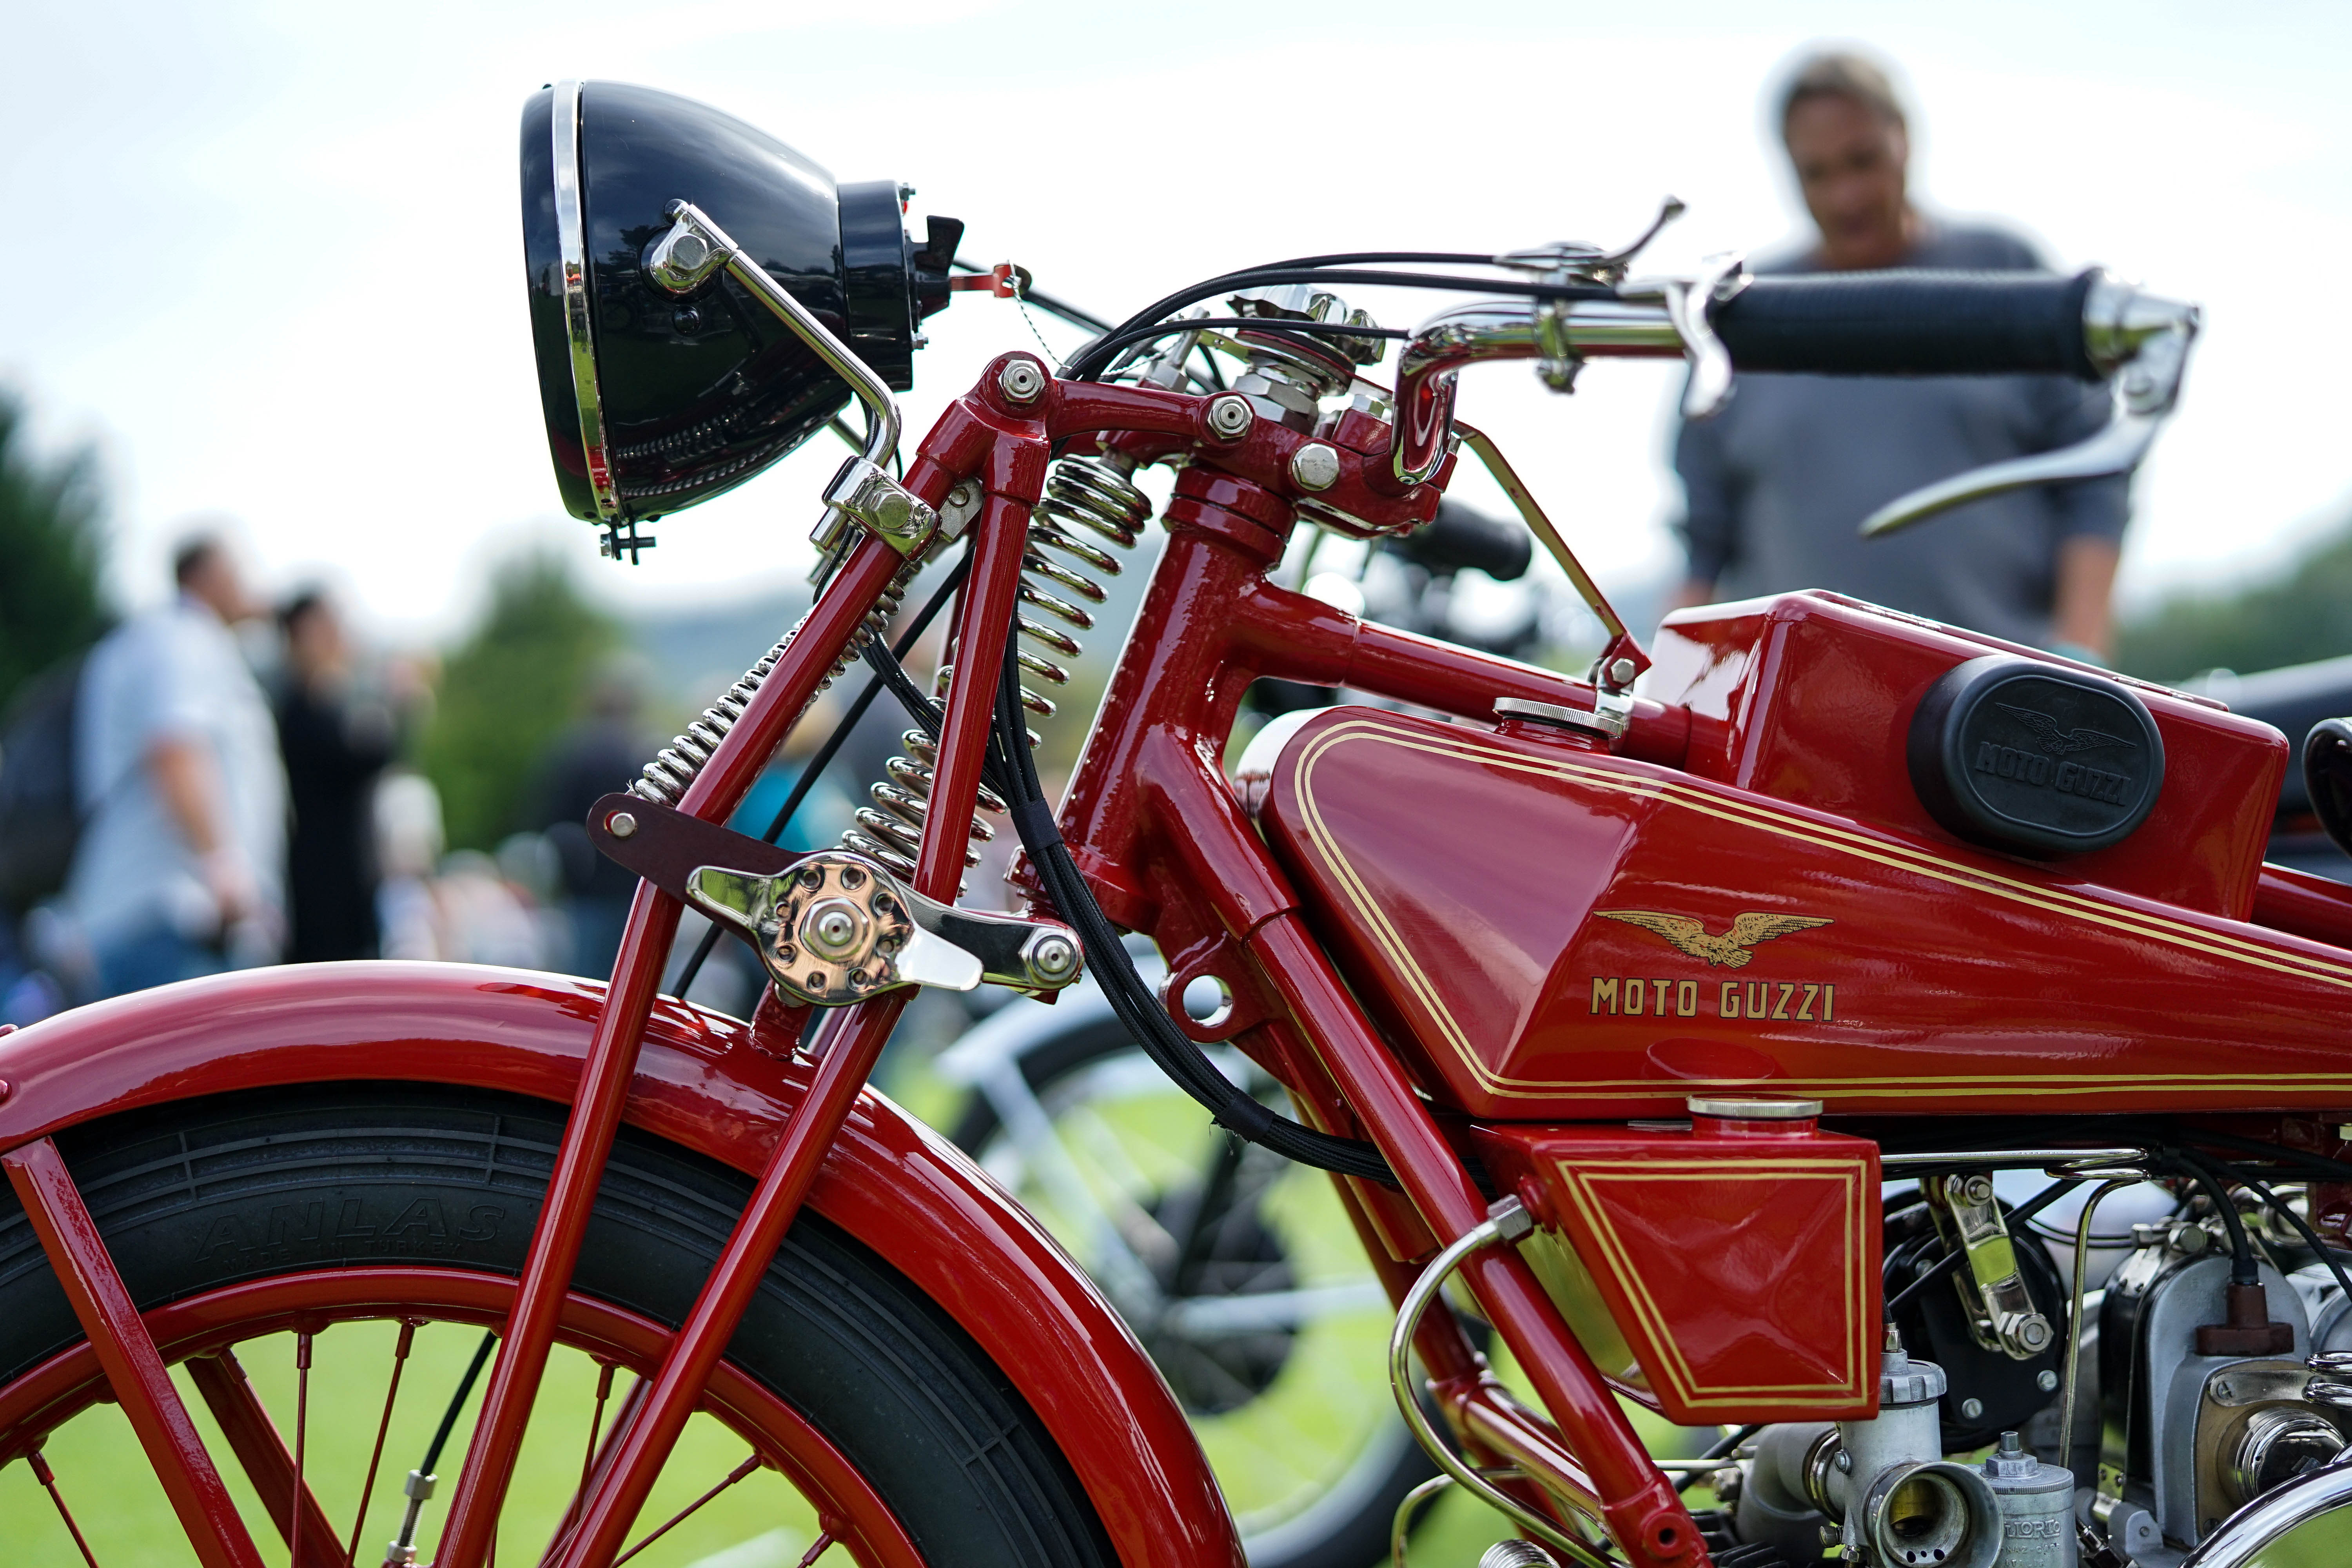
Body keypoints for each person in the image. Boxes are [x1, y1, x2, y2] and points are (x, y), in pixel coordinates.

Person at [1671, 50, 2128, 661]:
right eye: (1818, 173)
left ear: (1904, 140)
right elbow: (1704, 534)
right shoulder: (1746, 318)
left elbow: (2094, 481)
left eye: (1864, 161)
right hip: (1799, 701)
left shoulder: (2007, 276)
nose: (1847, 195)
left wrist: (2079, 656)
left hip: (1997, 695)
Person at [67, 534, 286, 996]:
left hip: (172, 924)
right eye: (240, 570)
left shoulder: (179, 640)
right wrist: (225, 869)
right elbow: (174, 746)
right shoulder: (181, 639)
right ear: (207, 575)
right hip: (170, 922)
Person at [274, 589, 400, 962]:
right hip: (319, 887)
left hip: (346, 881)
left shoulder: (329, 705)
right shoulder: (301, 708)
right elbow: (366, 756)